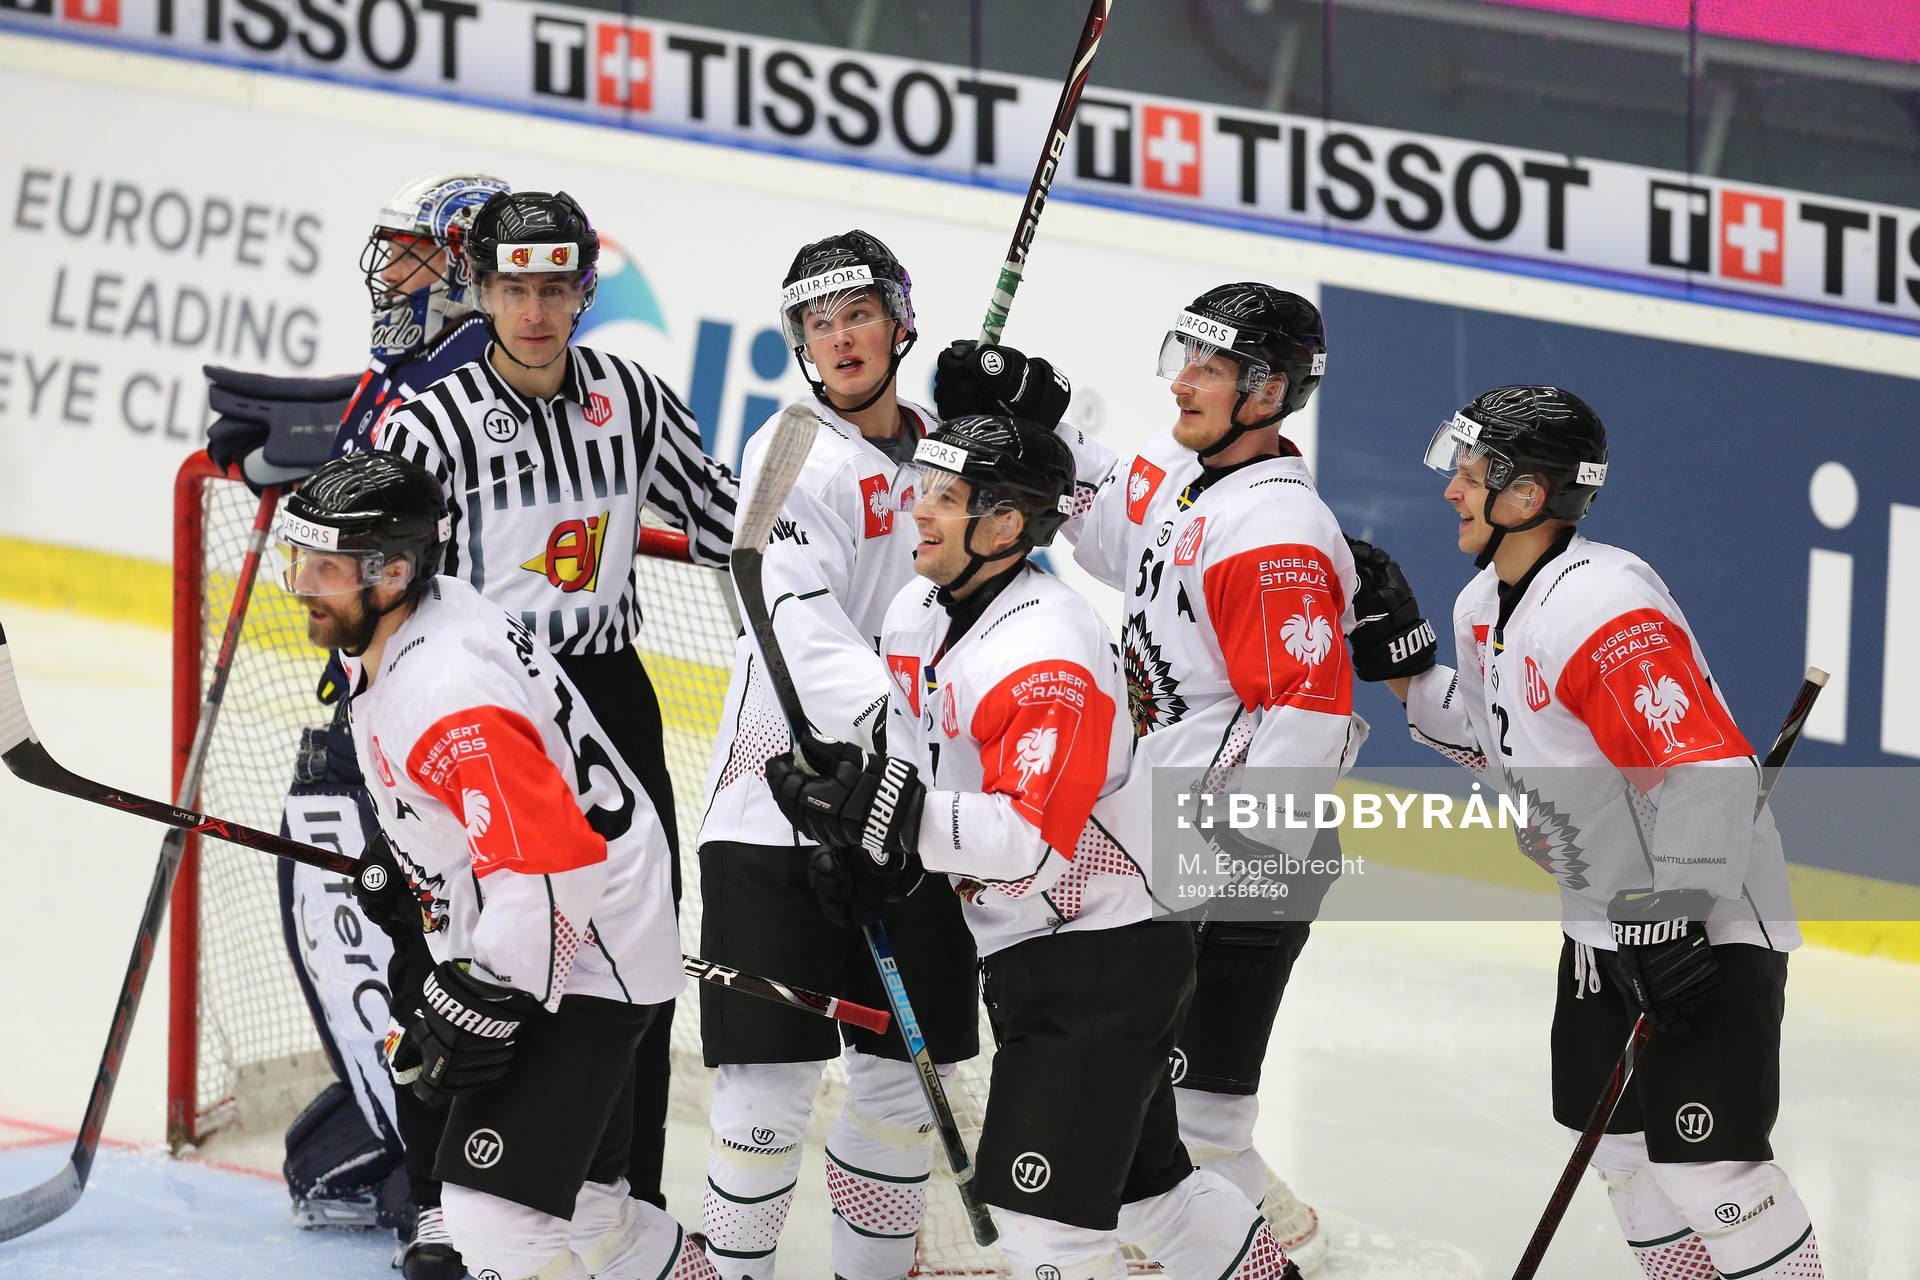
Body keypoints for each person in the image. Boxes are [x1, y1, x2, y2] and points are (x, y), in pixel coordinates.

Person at [765, 415, 1299, 1280]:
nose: (919, 509)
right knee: (1151, 1195)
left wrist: (888, 817)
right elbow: (916, 771)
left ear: (1006, 524)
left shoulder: (1047, 652)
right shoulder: (917, 612)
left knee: (1041, 1229)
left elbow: (1023, 841)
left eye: (946, 496)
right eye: (924, 486)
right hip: (1037, 953)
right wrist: (874, 856)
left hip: (1100, 960)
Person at [1349, 385, 1822, 1278]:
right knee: (1623, 1155)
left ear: (1528, 494)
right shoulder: (1483, 606)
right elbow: (1502, 746)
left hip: (1705, 928)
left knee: (1711, 1171)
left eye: (1471, 472)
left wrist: (1676, 913)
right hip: (1602, 926)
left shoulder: (1603, 609)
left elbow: (1707, 770)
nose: (1452, 489)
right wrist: (1404, 669)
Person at [934, 285, 1359, 1271]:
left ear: (1269, 391)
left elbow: (1306, 725)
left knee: (1185, 1126)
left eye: (1210, 367)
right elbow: (1101, 517)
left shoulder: (1276, 534)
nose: (1182, 381)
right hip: (1163, 851)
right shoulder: (1191, 478)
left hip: (1236, 861)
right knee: (1149, 1154)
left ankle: (1270, 1241)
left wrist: (1190, 885)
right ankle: (1262, 1247)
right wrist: (1025, 414)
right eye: (1184, 356)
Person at [376, 188, 740, 1221]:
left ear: (585, 291)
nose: (534, 311)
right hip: (481, 709)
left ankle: (627, 1193)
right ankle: (441, 1198)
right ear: (481, 291)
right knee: (459, 946)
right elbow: (382, 587)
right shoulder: (427, 427)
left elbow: (729, 523)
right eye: (512, 288)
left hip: (610, 704)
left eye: (554, 288)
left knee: (637, 950)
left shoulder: (632, 398)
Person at [277, 449, 718, 1280]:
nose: (303, 585)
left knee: (491, 1221)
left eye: (326, 567)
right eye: (300, 560)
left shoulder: (446, 689)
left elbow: (554, 866)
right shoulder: (421, 617)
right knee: (592, 1213)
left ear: (393, 572)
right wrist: (414, 859)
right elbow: (488, 806)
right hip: (582, 921)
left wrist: (484, 993)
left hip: (580, 948)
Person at [203, 169, 510, 1279]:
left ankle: (434, 1187)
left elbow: (395, 502)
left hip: (409, 715)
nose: (392, 271)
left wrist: (308, 460)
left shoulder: (461, 378)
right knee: (414, 941)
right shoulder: (424, 365)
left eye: (416, 252)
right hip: (408, 702)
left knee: (369, 926)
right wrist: (309, 431)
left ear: (467, 265)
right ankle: (419, 1163)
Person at [693, 230, 984, 1280]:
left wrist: (1024, 418)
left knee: (901, 1089)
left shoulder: (957, 449)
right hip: (782, 801)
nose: (841, 338)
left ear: (900, 323)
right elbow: (795, 622)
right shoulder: (791, 451)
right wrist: (903, 747)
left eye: (858, 313)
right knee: (765, 1097)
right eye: (818, 323)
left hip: (910, 809)